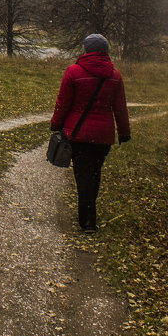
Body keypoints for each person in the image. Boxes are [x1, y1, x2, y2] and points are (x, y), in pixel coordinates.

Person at [51, 33, 131, 233]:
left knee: (83, 176)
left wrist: (56, 124)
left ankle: (87, 221)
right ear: (105, 51)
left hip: (79, 134)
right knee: (94, 174)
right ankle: (89, 216)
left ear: (87, 50)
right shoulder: (115, 75)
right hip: (103, 137)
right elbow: (120, 107)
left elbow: (63, 103)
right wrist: (124, 133)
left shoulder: (74, 72)